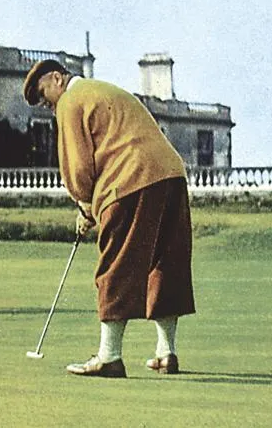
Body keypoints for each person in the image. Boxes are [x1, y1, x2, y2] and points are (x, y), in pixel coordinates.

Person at [23, 59, 194, 378]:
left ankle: (109, 356)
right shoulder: (103, 89)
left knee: (116, 264)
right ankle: (166, 352)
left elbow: (77, 165)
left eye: (43, 93)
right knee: (164, 264)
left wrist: (84, 207)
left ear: (58, 79)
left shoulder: (70, 101)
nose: (44, 104)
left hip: (130, 179)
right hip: (172, 175)